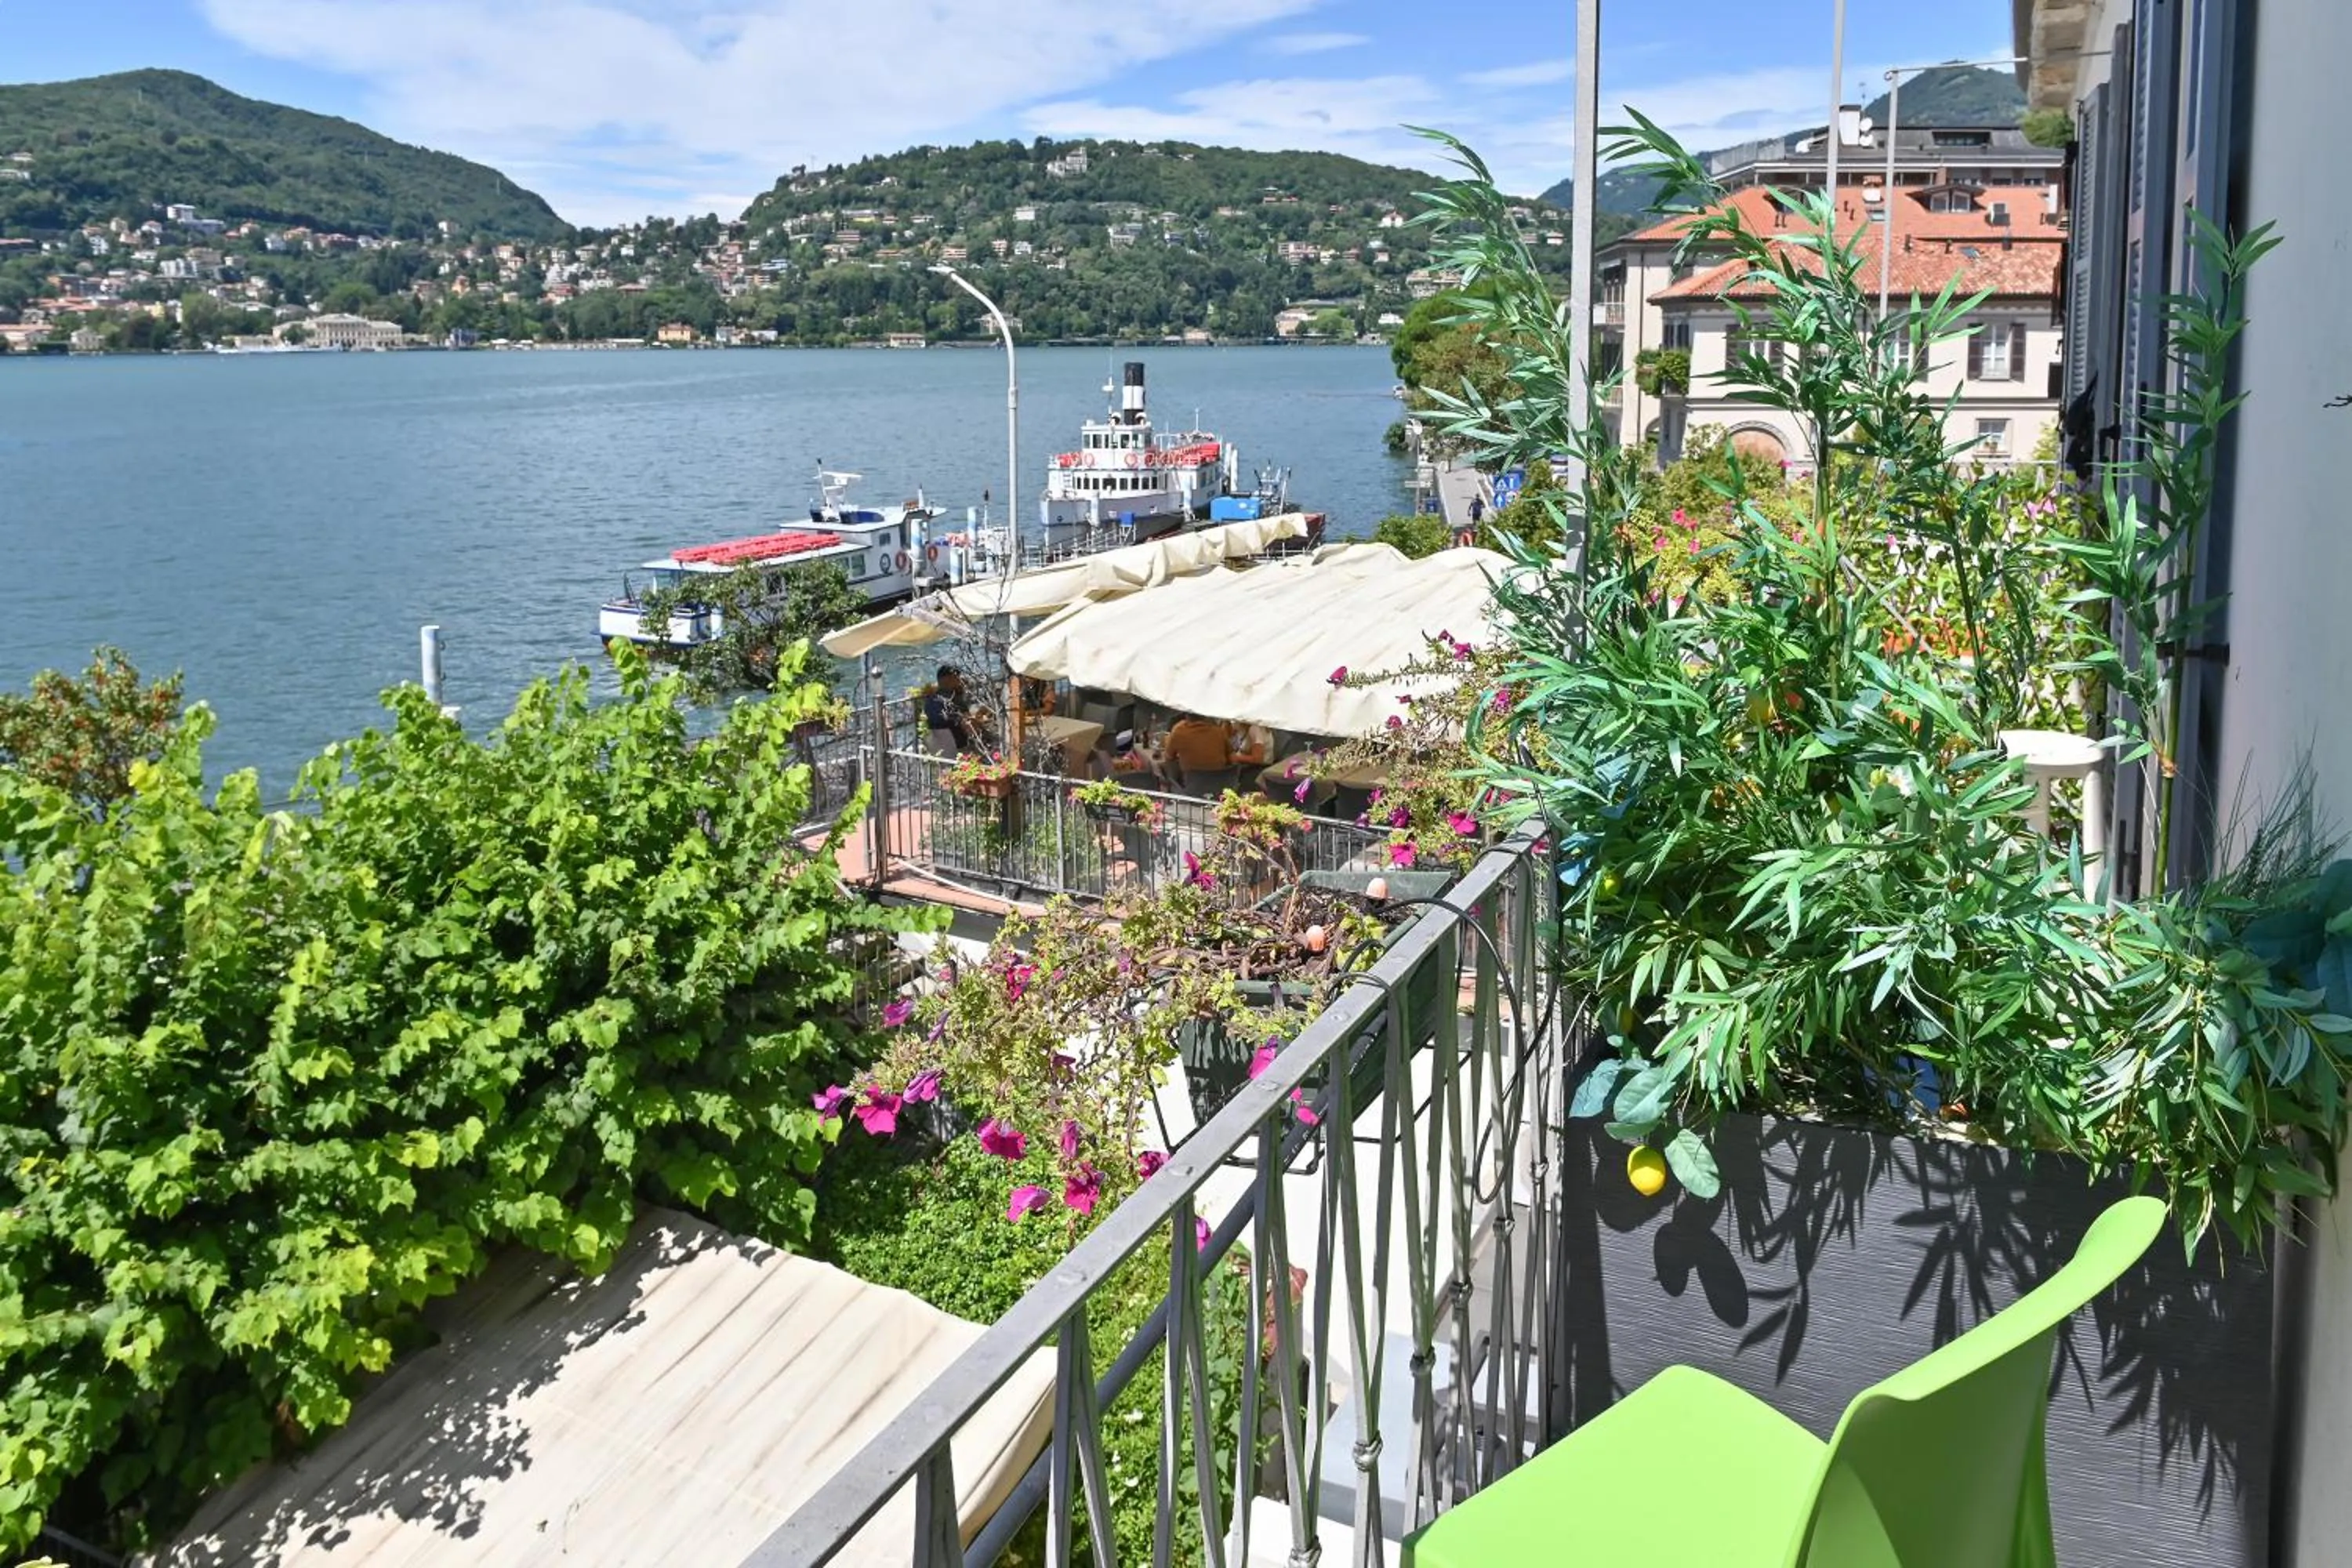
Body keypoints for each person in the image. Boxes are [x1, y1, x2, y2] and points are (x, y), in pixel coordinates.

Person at [923, 665, 979, 757]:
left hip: (939, 749)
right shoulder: (952, 701)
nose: (960, 681)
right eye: (957, 678)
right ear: (949, 679)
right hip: (960, 749)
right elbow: (969, 727)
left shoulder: (930, 700)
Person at [1163, 713, 1238, 778]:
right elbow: (1233, 758)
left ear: (1186, 715)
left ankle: (1168, 787)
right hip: (1219, 783)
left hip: (1191, 783)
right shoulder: (1219, 731)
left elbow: (1169, 756)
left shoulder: (1179, 730)